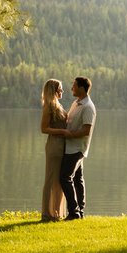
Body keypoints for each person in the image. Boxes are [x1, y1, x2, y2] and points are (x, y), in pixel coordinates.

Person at [59, 76, 96, 220]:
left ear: (81, 88)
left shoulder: (88, 107)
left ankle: (74, 212)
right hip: (71, 147)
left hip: (77, 149)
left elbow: (86, 130)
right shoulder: (76, 103)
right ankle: (80, 211)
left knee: (65, 177)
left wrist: (70, 134)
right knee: (77, 179)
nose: (71, 88)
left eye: (74, 85)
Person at [39, 79, 68, 221]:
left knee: (59, 181)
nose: (62, 91)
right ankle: (47, 213)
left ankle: (56, 212)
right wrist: (62, 132)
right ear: (54, 90)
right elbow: (44, 129)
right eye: (60, 89)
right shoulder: (49, 106)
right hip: (54, 146)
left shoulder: (58, 105)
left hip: (62, 146)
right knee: (51, 179)